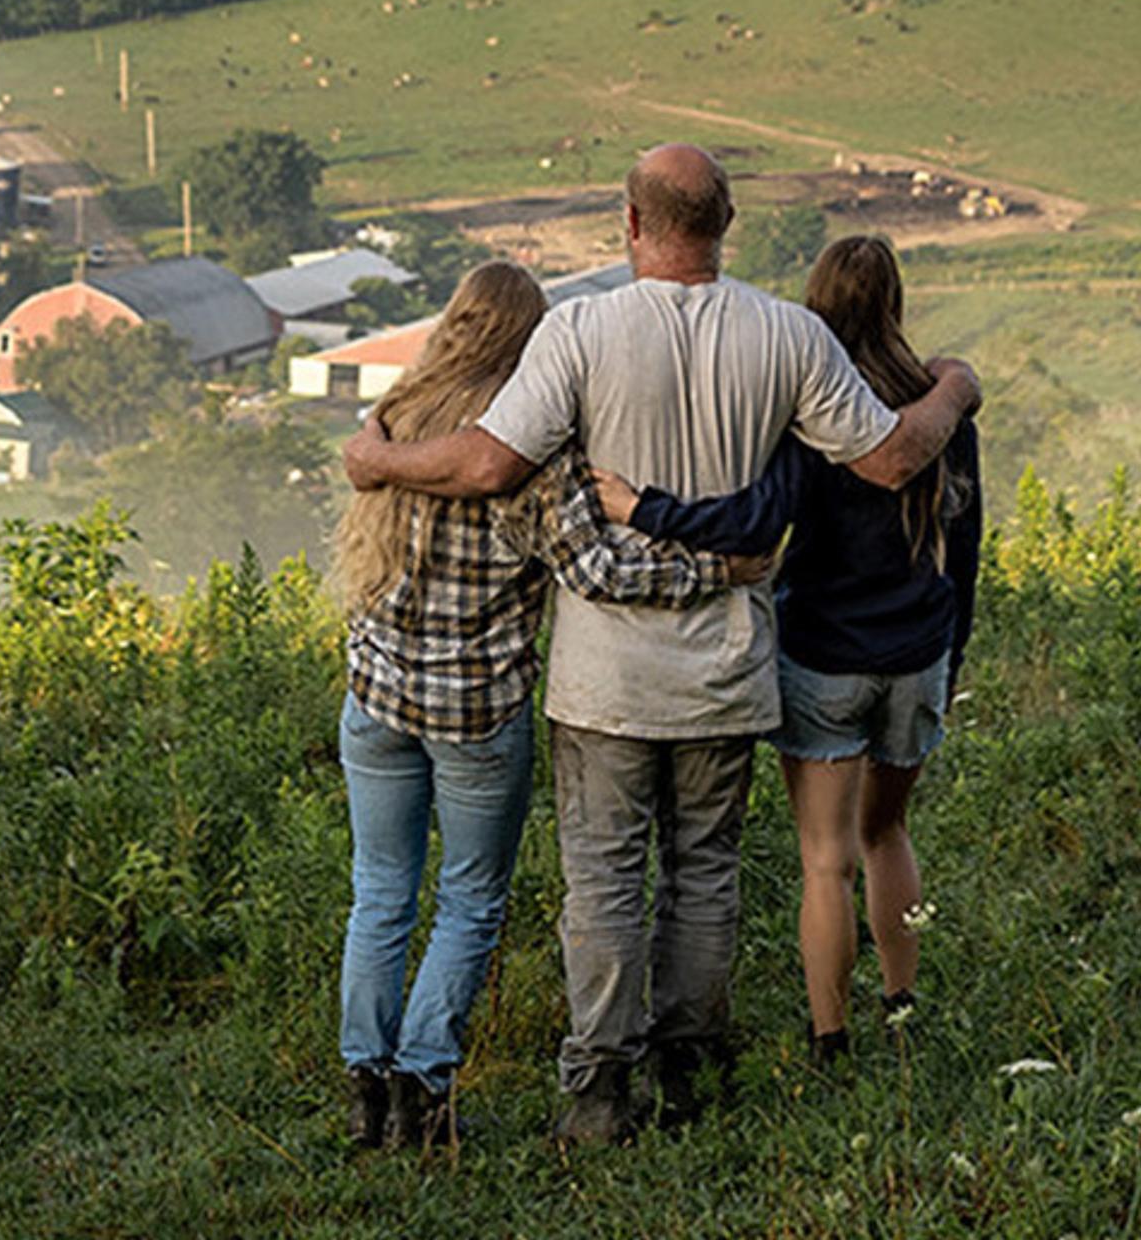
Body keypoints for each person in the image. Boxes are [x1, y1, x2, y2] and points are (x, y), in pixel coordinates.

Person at [342, 146, 979, 1146]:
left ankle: (597, 1094)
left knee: (602, 888)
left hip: (605, 683)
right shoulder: (792, 335)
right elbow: (895, 455)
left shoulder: (581, 331)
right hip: (726, 674)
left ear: (630, 225)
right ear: (723, 226)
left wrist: (378, 459)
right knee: (704, 875)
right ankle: (691, 1071)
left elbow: (485, 461)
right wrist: (956, 386)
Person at [328, 260, 767, 1154]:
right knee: (470, 900)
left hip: (374, 697)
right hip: (475, 710)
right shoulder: (528, 455)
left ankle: (365, 1092)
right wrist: (719, 568)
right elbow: (597, 571)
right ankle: (425, 1081)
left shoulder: (394, 423)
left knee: (379, 894)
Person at [596, 232, 981, 1064]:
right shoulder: (941, 408)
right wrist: (951, 659)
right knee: (889, 835)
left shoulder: (807, 411)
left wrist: (643, 508)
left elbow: (753, 522)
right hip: (918, 652)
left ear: (817, 306)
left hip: (822, 656)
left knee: (823, 861)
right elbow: (968, 556)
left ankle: (829, 1039)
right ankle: (902, 1008)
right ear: (896, 304)